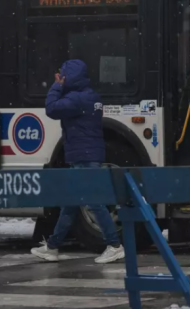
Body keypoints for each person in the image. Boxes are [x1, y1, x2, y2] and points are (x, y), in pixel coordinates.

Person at [30, 59, 125, 264]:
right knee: (71, 204)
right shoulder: (90, 96)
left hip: (84, 156)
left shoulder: (76, 100)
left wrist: (57, 86)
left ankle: (114, 245)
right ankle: (53, 246)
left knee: (93, 202)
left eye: (63, 75)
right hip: (86, 155)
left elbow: (51, 109)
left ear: (69, 77)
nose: (60, 78)